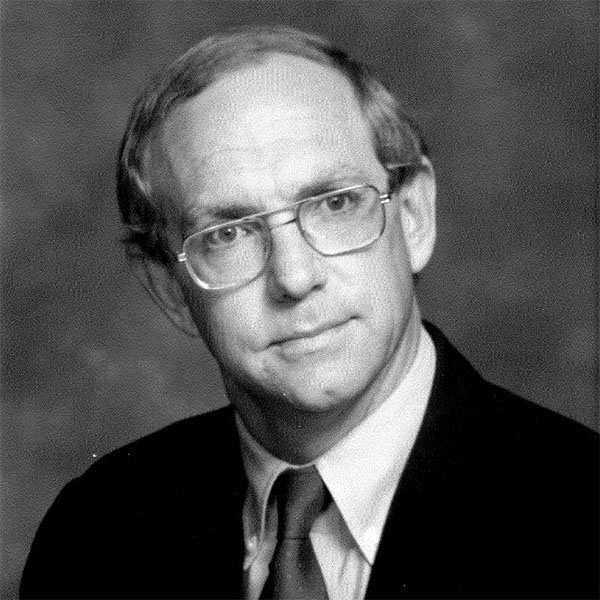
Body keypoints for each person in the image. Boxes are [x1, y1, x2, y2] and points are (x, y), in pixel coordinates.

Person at [20, 25, 598, 600]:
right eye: (229, 233)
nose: (294, 278)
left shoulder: (582, 518)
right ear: (167, 287)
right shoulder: (95, 535)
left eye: (336, 202)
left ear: (414, 216)